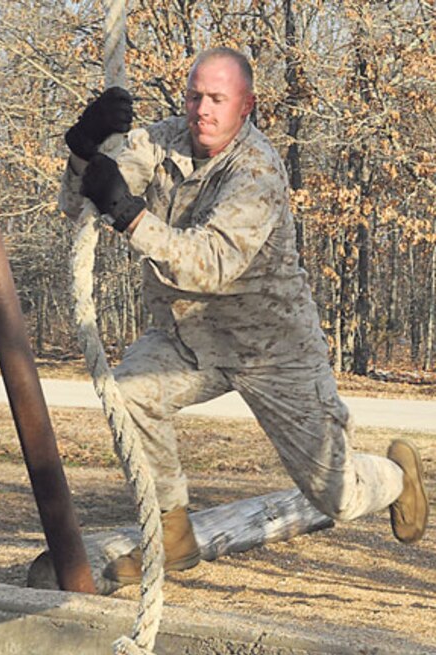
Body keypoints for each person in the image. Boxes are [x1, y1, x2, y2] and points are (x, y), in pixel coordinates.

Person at [59, 47, 429, 585]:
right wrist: (82, 149)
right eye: (194, 96)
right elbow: (80, 205)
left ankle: (395, 474)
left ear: (246, 105)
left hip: (273, 350)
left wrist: (131, 216)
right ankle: (172, 530)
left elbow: (210, 264)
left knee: (338, 497)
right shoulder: (162, 141)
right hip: (192, 342)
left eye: (216, 99)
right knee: (130, 392)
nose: (202, 110)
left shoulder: (257, 171)